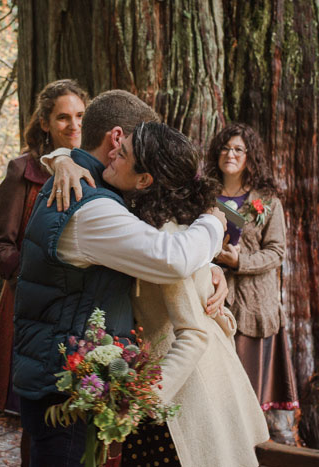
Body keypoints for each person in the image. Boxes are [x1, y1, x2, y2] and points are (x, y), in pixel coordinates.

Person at [13, 90, 228, 467]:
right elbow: (171, 257)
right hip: (63, 390)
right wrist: (215, 220)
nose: (119, 154)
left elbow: (157, 249)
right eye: (127, 144)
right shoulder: (92, 205)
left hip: (63, 381)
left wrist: (212, 269)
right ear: (116, 139)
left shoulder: (93, 191)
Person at [114, 122, 269, 467]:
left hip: (182, 389)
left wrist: (144, 402)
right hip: (191, 376)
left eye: (121, 152)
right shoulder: (164, 224)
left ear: (146, 180)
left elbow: (193, 335)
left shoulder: (165, 236)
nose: (111, 155)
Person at [0, 79, 89, 464]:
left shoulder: (96, 169)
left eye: (79, 115)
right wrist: (33, 277)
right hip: (27, 310)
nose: (73, 124)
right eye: (63, 117)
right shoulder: (22, 171)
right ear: (45, 122)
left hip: (79, 313)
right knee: (35, 418)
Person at [206, 123, 299, 444]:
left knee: (248, 382)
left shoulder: (267, 201)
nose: (229, 154)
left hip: (253, 305)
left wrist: (240, 262)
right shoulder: (204, 195)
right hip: (210, 300)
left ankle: (257, 445)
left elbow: (276, 252)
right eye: (224, 148)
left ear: (249, 156)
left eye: (237, 149)